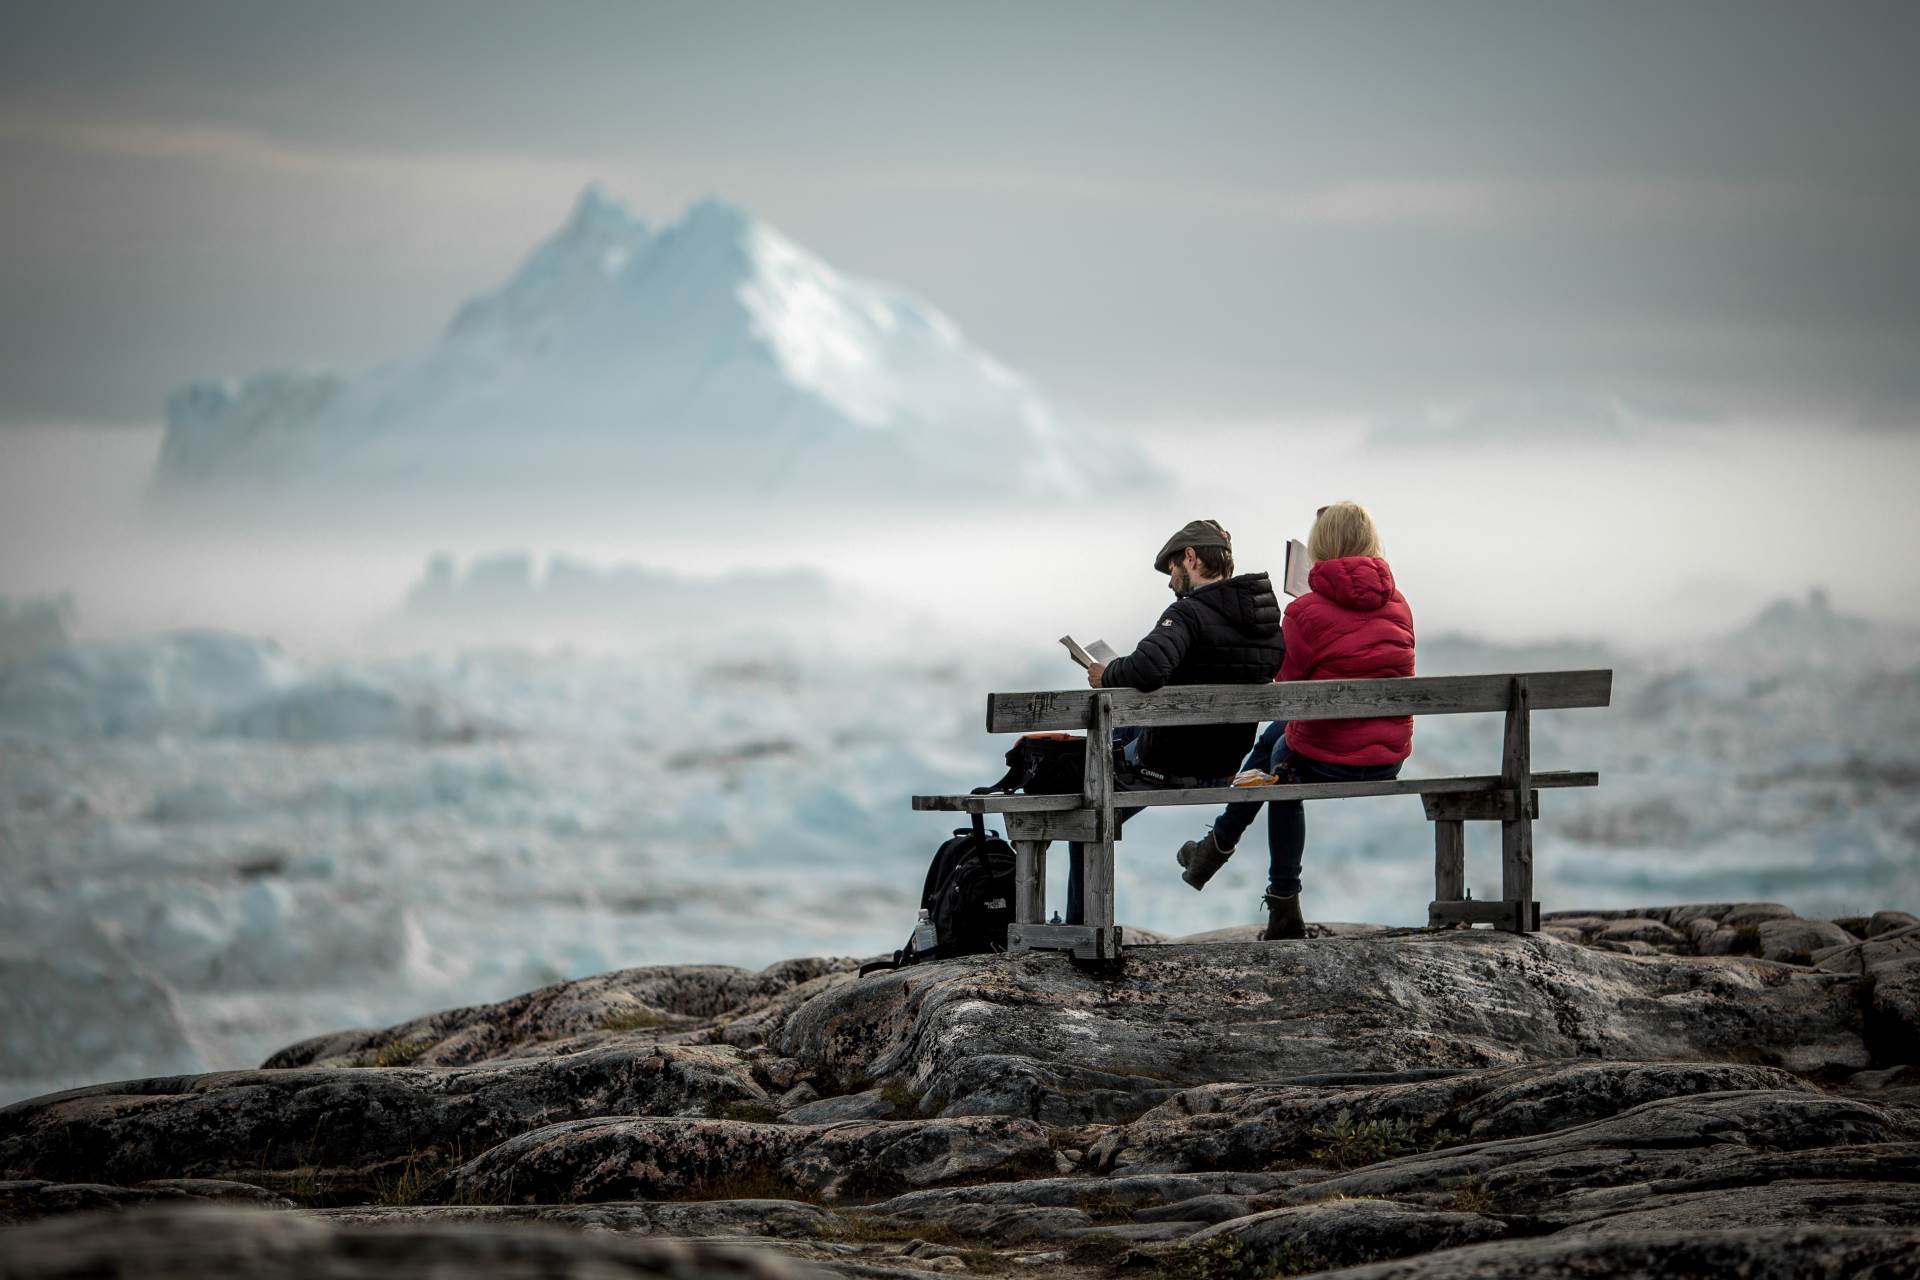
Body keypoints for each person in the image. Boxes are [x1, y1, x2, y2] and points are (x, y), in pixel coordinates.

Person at [1171, 501, 1414, 940]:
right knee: (1276, 742)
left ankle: (1275, 898)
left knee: (1279, 772)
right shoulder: (1398, 604)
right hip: (1388, 757)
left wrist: (1302, 613)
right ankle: (1212, 851)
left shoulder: (1307, 611)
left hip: (1331, 758)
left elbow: (1285, 683)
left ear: (1321, 546)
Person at [1064, 519, 1285, 924]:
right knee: (1126, 732)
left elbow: (1149, 668)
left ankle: (1082, 926)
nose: (1171, 582)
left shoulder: (1189, 614)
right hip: (1222, 768)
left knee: (1085, 812)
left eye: (1172, 570)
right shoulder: (1266, 622)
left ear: (1191, 557)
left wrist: (1107, 674)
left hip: (1169, 765)